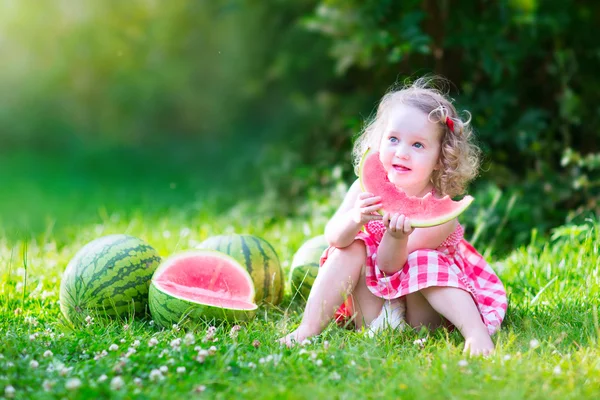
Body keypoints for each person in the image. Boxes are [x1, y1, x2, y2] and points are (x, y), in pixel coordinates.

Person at [279, 77, 507, 356]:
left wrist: (396, 237)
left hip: (421, 319)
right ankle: (305, 331)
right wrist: (355, 219)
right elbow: (334, 237)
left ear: (440, 158)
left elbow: (390, 265)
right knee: (348, 247)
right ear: (379, 141)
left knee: (425, 259)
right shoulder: (362, 188)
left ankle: (476, 334)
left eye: (418, 145)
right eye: (394, 139)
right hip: (373, 313)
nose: (401, 152)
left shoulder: (440, 213)